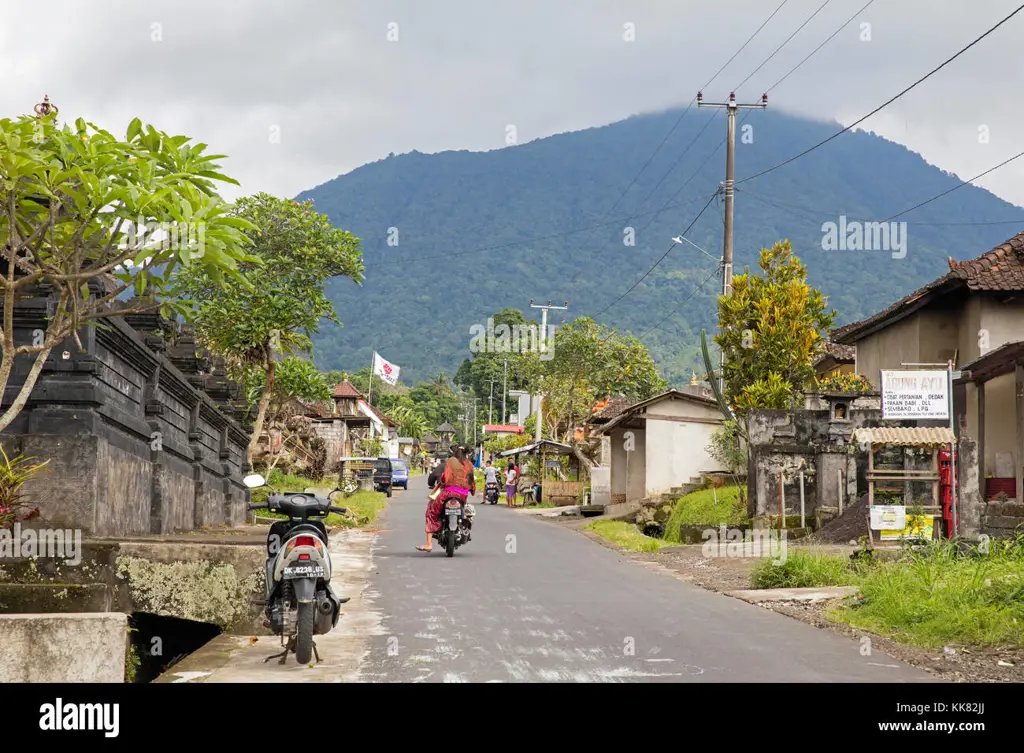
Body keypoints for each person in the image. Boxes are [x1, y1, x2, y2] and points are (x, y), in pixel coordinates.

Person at [419, 445, 475, 552]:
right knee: (465, 508)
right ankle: (464, 522)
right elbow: (472, 480)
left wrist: (444, 483)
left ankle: (429, 544)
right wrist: (470, 490)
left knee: (431, 509)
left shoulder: (450, 461)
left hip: (448, 492)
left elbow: (445, 477)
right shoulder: (469, 464)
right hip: (463, 494)